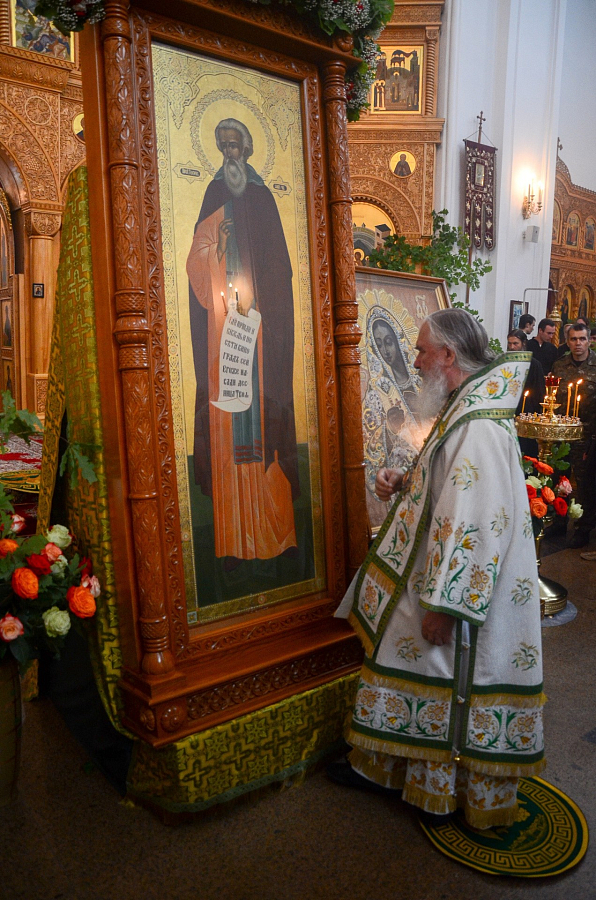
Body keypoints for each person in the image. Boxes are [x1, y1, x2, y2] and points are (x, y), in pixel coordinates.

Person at [329, 309, 544, 829]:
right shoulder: (464, 409)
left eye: (423, 350)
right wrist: (404, 481)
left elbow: (478, 523)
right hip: (432, 573)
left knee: (441, 671)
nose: (417, 360)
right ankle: (388, 768)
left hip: (454, 592)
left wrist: (446, 609)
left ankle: (443, 789)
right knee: (402, 658)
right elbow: (449, 487)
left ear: (448, 355)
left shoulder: (478, 427)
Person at [186, 118, 299, 564]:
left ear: (248, 150)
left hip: (259, 333)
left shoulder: (263, 198)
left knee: (262, 417)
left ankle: (275, 534)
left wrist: (262, 304)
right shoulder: (213, 193)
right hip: (223, 330)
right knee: (226, 419)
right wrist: (215, 250)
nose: (230, 153)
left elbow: (280, 268)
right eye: (224, 146)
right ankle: (233, 539)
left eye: (236, 146)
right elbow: (196, 259)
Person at [553, 322, 596, 548]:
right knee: (559, 479)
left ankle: (583, 528)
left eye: (582, 339)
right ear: (567, 342)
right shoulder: (559, 365)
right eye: (573, 339)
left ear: (589, 341)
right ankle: (558, 521)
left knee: (585, 484)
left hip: (587, 434)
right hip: (562, 432)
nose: (578, 343)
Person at [507, 329, 545, 456]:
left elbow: (539, 393)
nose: (512, 347)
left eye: (515, 343)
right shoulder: (505, 363)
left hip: (527, 416)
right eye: (510, 343)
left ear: (523, 344)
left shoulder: (534, 365)